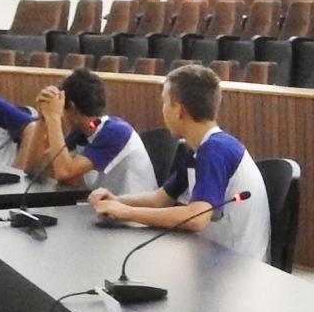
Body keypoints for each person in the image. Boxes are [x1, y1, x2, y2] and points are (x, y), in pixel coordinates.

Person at [90, 63, 270, 263]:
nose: (162, 110)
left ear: (178, 110)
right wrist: (117, 200)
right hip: (213, 254)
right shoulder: (199, 148)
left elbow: (197, 218)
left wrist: (128, 213)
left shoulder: (215, 150)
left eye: (165, 102)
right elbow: (160, 199)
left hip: (237, 266)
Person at [17, 66, 156, 194]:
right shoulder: (85, 131)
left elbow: (64, 171)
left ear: (72, 107)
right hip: (107, 208)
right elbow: (33, 168)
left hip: (134, 210)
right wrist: (42, 119)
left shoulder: (116, 132)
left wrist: (53, 118)